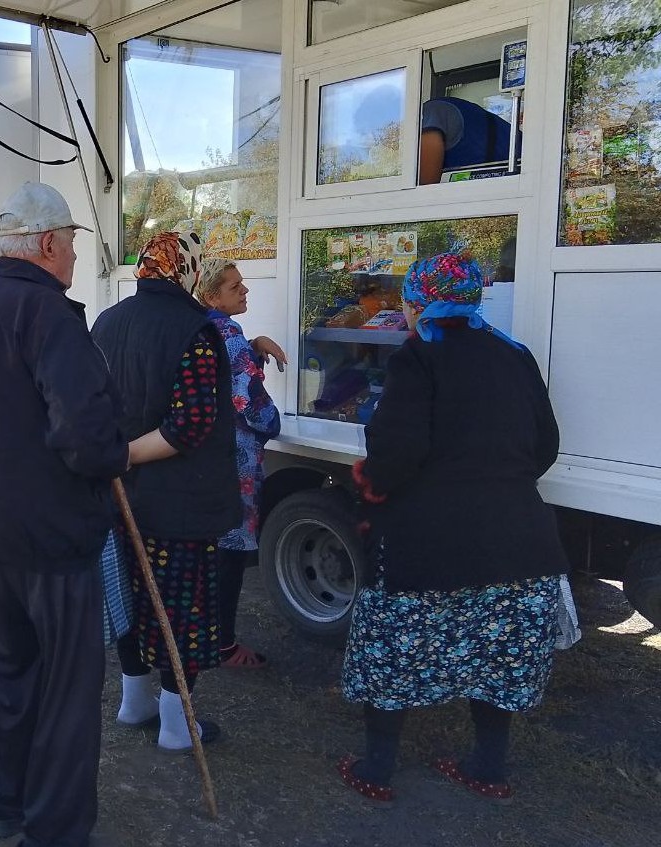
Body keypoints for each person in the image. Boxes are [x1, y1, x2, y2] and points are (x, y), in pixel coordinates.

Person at [0, 182, 129, 847]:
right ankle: (54, 838)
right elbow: (84, 435)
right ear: (47, 243)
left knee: (15, 673)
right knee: (67, 690)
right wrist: (110, 456)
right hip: (54, 536)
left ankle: (7, 803)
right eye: (72, 242)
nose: (76, 253)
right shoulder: (48, 312)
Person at [338, 249, 568, 802]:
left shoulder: (417, 358)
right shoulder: (515, 355)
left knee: (393, 650)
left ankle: (376, 770)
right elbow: (546, 445)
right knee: (498, 656)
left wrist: (369, 482)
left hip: (428, 542)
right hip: (518, 539)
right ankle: (487, 769)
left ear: (419, 302)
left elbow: (396, 451)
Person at [91, 232, 241, 748]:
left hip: (117, 497)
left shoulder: (106, 321)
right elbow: (190, 426)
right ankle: (177, 727)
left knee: (129, 598)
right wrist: (127, 452)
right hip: (177, 503)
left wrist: (113, 456)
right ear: (187, 270)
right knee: (179, 608)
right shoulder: (193, 328)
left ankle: (135, 703)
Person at [196, 258, 283, 668]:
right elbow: (248, 399)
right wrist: (273, 424)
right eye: (235, 287)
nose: (245, 291)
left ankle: (207, 634)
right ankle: (225, 644)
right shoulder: (228, 333)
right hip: (237, 461)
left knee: (209, 554)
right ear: (212, 296)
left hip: (205, 458)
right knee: (232, 554)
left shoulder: (199, 325)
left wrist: (256, 345)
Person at [419, 97, 517, 184]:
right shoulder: (441, 110)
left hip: (509, 180)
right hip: (506, 182)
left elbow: (426, 184)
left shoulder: (431, 112)